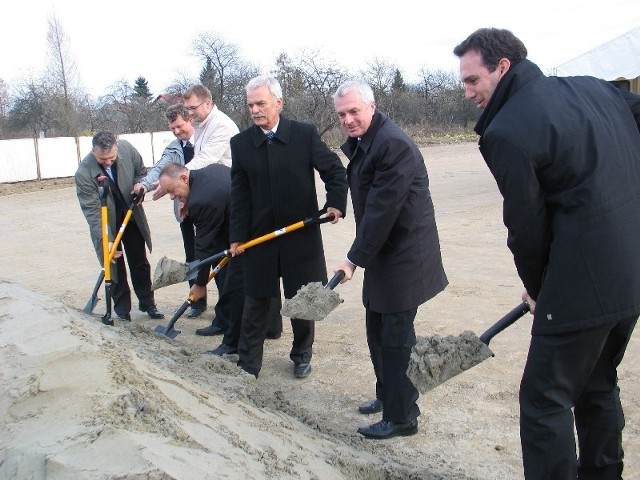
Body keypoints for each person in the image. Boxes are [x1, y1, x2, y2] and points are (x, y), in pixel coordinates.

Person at [453, 27, 640, 480]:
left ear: (503, 67)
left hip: (582, 288)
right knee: (596, 382)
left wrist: (541, 291)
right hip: (630, 275)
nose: (467, 92)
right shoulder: (593, 88)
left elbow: (526, 230)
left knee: (543, 400)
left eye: (473, 80)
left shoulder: (506, 132)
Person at [332, 80, 448, 440]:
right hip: (384, 251)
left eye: (354, 111)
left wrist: (352, 260)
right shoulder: (366, 142)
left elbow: (382, 212)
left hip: (406, 254)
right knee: (377, 331)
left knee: (396, 339)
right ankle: (388, 396)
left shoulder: (392, 144)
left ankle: (402, 417)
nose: (348, 119)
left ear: (372, 106)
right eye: (342, 114)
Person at [229, 75, 348, 379]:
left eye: (261, 103)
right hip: (260, 237)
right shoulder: (241, 144)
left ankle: (302, 354)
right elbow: (239, 195)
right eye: (251, 105)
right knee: (255, 301)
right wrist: (237, 237)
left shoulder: (303, 135)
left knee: (302, 301)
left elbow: (334, 170)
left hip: (301, 236)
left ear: (278, 103)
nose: (255, 110)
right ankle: (248, 364)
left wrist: (335, 203)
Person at [76, 131, 164, 322]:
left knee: (139, 261)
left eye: (112, 158)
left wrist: (140, 185)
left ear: (117, 147)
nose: (108, 162)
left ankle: (148, 303)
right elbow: (92, 211)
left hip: (131, 215)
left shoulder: (127, 149)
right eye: (103, 159)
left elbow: (141, 172)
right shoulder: (84, 173)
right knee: (114, 266)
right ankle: (122, 308)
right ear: (93, 152)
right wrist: (106, 239)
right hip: (106, 221)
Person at [158, 163, 243, 356]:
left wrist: (200, 284)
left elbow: (202, 248)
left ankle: (232, 343)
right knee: (225, 276)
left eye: (172, 191)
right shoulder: (211, 170)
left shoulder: (201, 201)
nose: (172, 197)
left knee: (234, 288)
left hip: (241, 237)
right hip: (232, 229)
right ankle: (229, 323)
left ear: (184, 178)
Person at [132, 103, 207, 319]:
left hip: (208, 206)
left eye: (179, 126)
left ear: (190, 120)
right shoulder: (174, 148)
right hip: (185, 211)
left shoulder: (205, 140)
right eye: (172, 128)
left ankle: (226, 306)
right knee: (192, 255)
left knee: (213, 251)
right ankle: (197, 302)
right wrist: (144, 185)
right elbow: (160, 169)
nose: (176, 132)